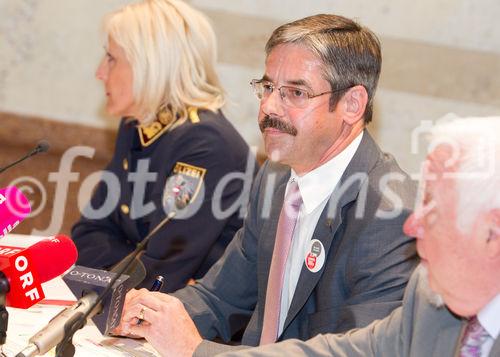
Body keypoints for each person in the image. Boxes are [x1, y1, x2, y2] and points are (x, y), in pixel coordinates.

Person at [116, 14, 419, 356]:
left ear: (352, 104)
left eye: (296, 92)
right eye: (268, 87)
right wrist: (151, 316)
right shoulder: (275, 176)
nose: (268, 106)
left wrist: (196, 351)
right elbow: (220, 297)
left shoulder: (393, 217)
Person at [218, 117, 500, 357]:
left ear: (493, 235)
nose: (412, 225)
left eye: (434, 211)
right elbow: (346, 352)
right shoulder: (427, 294)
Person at [71, 0, 254, 291]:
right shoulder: (138, 126)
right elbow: (86, 234)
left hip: (205, 331)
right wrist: (134, 264)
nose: (100, 72)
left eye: (111, 58)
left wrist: (132, 265)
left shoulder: (205, 145)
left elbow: (161, 274)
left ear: (150, 65)